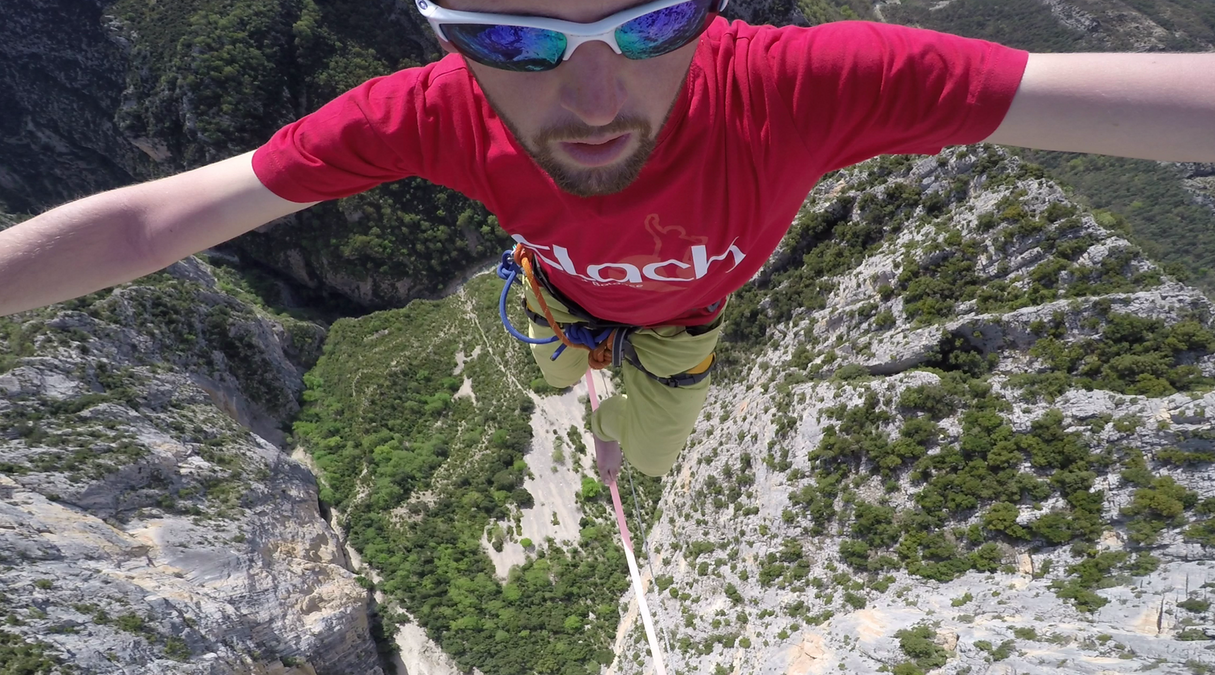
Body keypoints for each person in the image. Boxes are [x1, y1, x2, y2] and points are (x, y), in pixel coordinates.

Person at [1, 0, 1212, 485]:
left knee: (644, 445)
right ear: (449, 35)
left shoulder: (807, 85)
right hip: (577, 292)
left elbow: (1122, 94)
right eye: (517, 42)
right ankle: (548, 346)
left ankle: (601, 430)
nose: (594, 100)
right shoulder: (421, 111)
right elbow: (160, 215)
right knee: (550, 362)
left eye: (655, 22)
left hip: (678, 326)